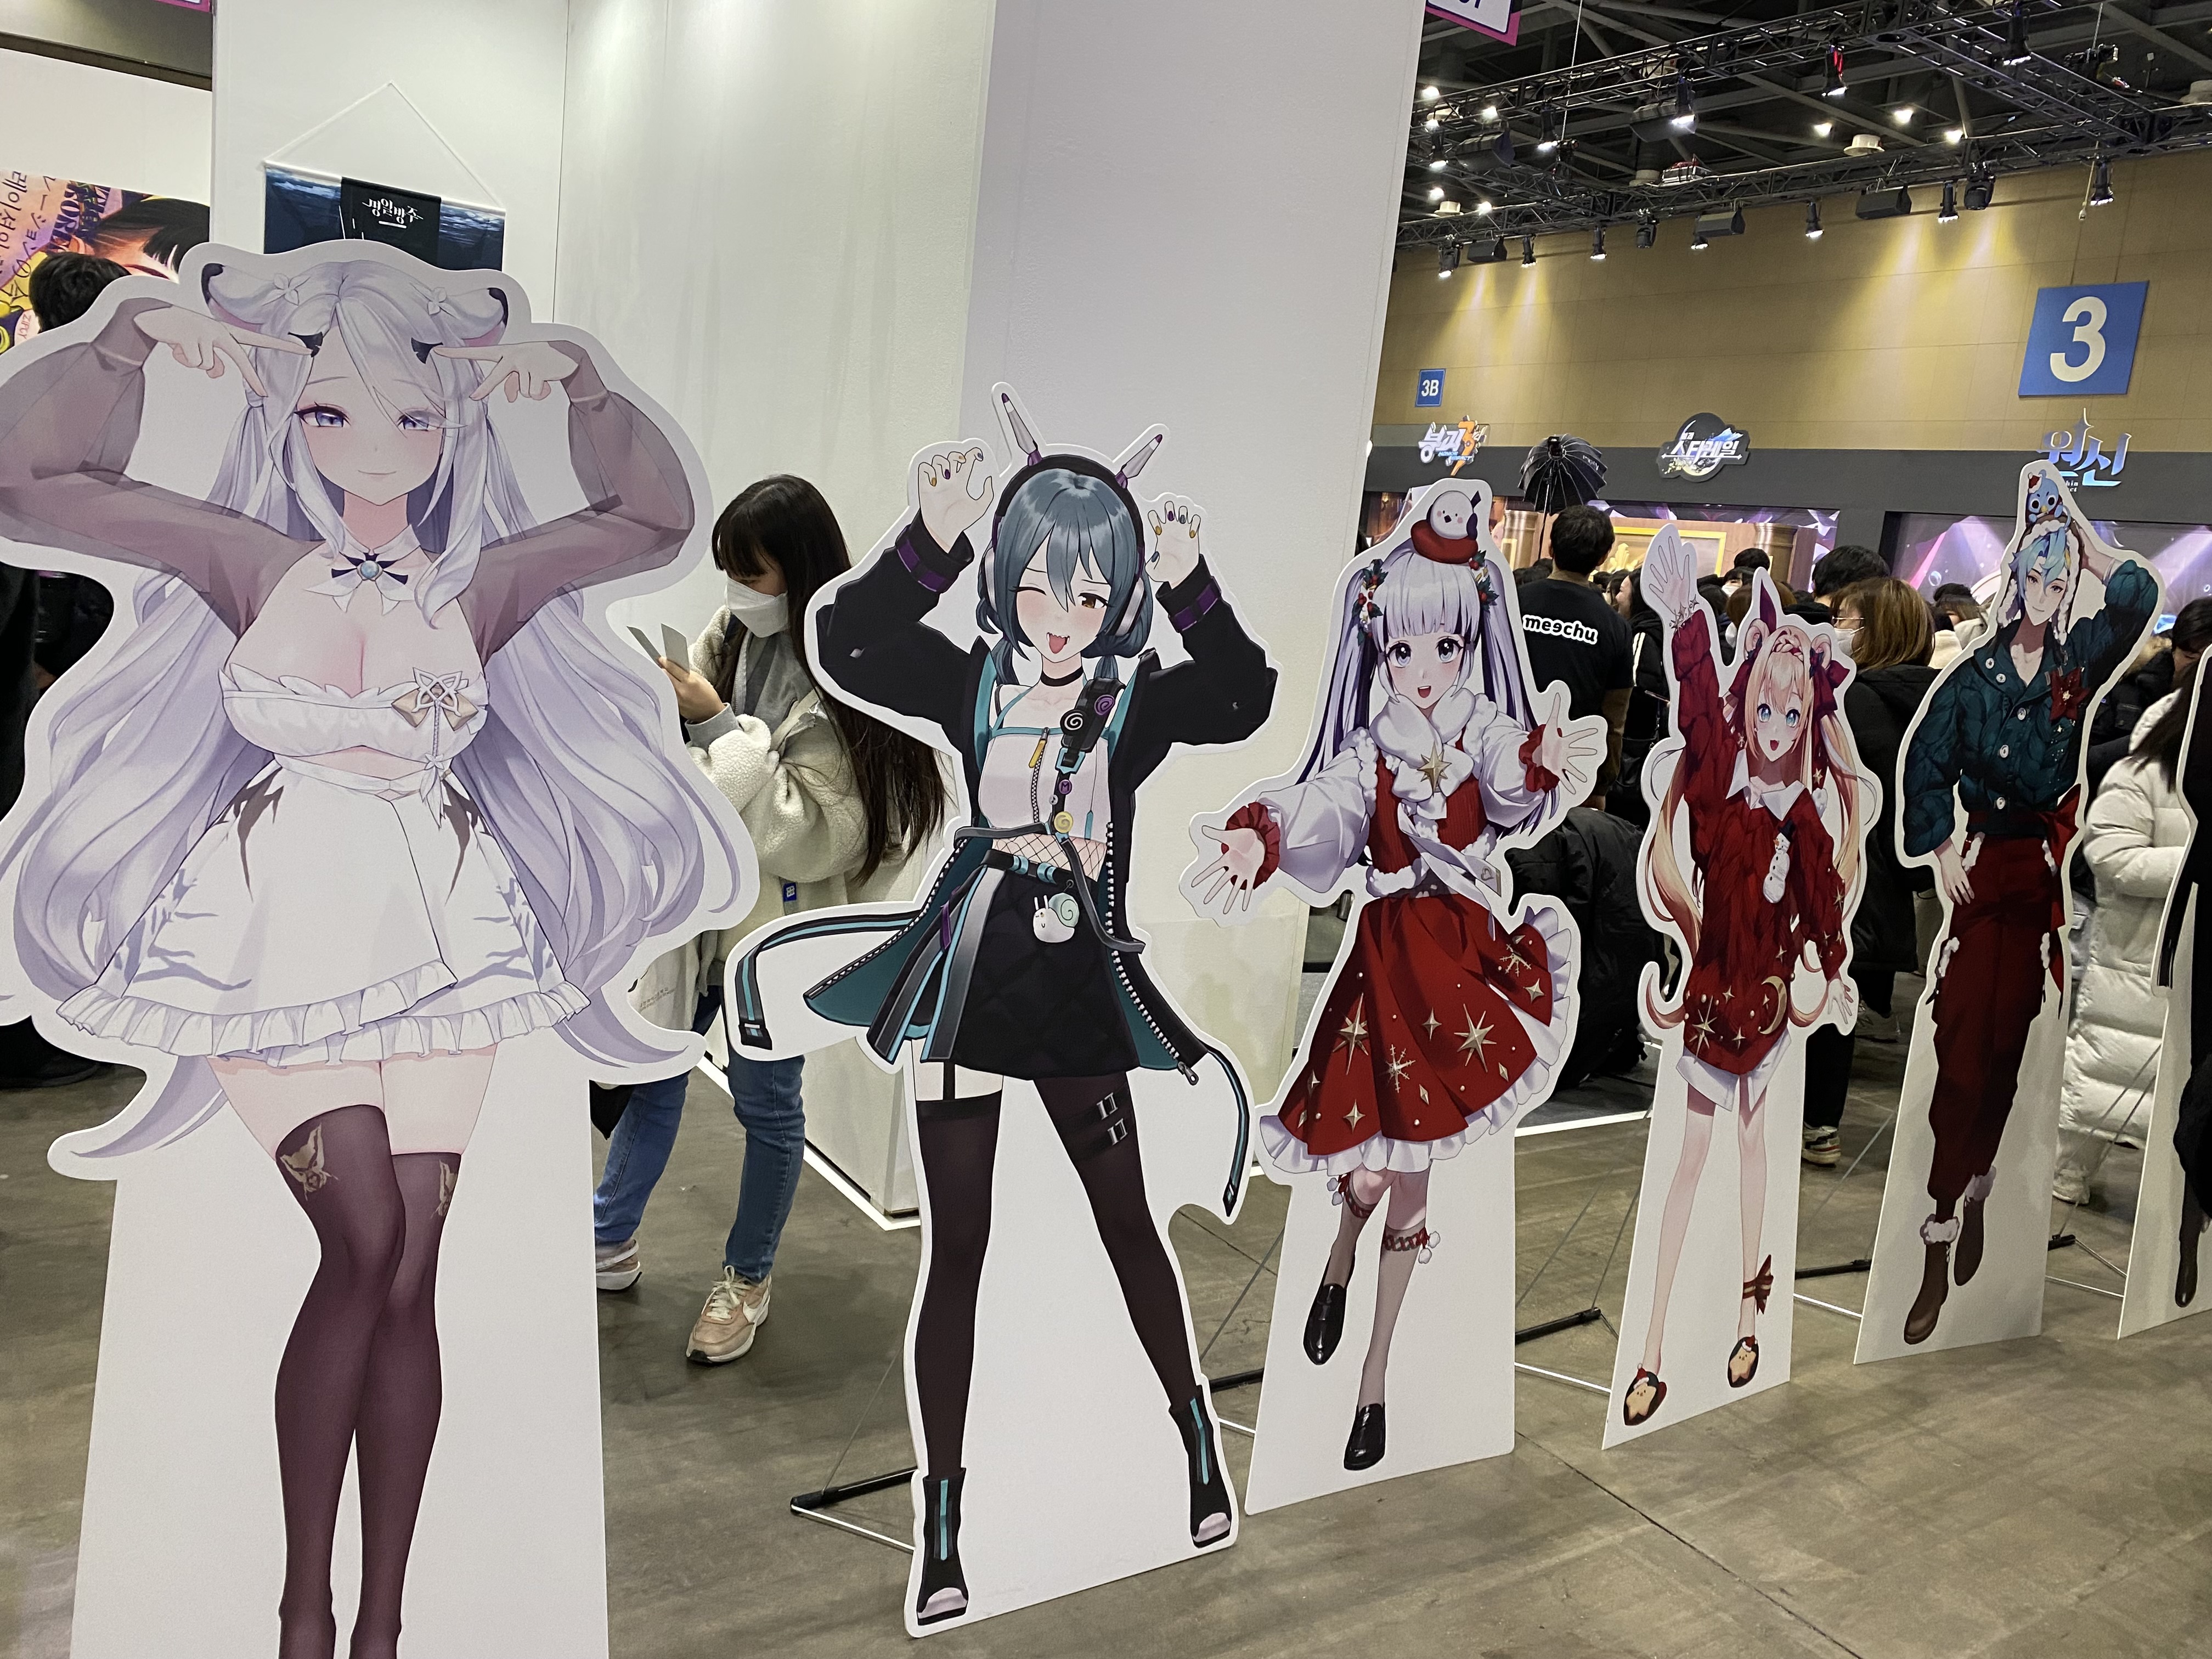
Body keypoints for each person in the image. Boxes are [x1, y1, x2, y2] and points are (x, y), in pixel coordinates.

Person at [0, 255, 742, 1657]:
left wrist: (586, 389)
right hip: (275, 923)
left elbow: (652, 516)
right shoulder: (248, 556)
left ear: (449, 427)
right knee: (371, 1240)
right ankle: (305, 1607)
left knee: (413, 1263)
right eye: (334, 413)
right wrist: (123, 347)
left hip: (449, 925)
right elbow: (29, 481)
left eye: (412, 417)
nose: (378, 447)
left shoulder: (482, 584)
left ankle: (382, 1618)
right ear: (290, 419)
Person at [732, 407, 1274, 1629]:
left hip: (1074, 977)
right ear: (1006, 580)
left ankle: (1195, 1440)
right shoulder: (969, 681)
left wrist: (1194, 585)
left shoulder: (1130, 704)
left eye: (1088, 593)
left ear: (1119, 597)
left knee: (1127, 1222)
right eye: (1037, 586)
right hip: (977, 968)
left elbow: (1242, 697)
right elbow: (847, 643)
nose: (1059, 616)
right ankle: (944, 1525)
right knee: (960, 1248)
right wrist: (928, 541)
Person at [1195, 485, 1598, 1472]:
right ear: (1377, 648)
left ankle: (1373, 1379)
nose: (1422, 670)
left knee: (1410, 1177)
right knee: (1372, 1164)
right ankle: (1341, 1256)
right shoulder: (1368, 749)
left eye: (1445, 647)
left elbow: (1512, 783)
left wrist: (1539, 758)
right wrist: (1266, 835)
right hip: (1382, 967)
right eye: (1402, 650)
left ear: (1471, 645)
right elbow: (1326, 811)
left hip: (1458, 965)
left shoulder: (1483, 729)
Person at [592, 476, 947, 1365]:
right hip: (705, 911)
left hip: (776, 930)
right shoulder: (729, 637)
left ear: (799, 568)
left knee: (766, 1102)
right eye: (728, 570)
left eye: (750, 572)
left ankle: (748, 1277)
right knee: (656, 1069)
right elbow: (706, 782)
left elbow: (819, 833)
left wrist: (722, 731)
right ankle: (608, 1235)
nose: (736, 589)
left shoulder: (851, 676)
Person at [1894, 467, 2157, 1346]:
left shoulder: (2076, 664)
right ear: (2014, 581)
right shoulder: (1973, 677)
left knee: (2010, 1047)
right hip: (1983, 873)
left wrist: (2081, 539)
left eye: (2058, 576)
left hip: (2040, 876)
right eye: (2034, 573)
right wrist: (1939, 844)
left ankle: (1976, 1194)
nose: (2045, 588)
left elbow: (2135, 596)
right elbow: (1927, 761)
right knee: (1961, 1051)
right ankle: (1937, 1223)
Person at [1621, 533, 1866, 1426]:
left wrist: (1832, 967)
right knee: (1689, 1164)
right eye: (1764, 709)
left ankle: (1746, 1321)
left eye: (1788, 716)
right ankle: (1651, 1347)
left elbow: (1825, 904)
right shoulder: (1721, 794)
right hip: (1711, 1004)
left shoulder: (1804, 818)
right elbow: (1698, 720)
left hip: (1764, 1010)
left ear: (1805, 723)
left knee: (1755, 1158)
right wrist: (1685, 622)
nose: (1772, 728)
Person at [1801, 579, 1937, 1165]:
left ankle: (1799, 1118)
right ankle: (1822, 1125)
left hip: (1834, 866)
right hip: (1892, 878)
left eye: (1845, 621)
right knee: (1839, 996)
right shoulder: (1937, 701)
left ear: (1874, 631)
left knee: (1811, 988)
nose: (1835, 630)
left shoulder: (1852, 701)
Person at [2053, 671, 2193, 1205]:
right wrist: (2194, 865)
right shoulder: (2144, 770)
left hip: (2191, 957)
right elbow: (2111, 855)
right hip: (2137, 958)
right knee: (2106, 1071)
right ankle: (2065, 1171)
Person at [1517, 504, 1632, 806]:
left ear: (1551, 548)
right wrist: (1600, 786)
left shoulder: (1512, 604)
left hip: (1501, 757)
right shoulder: (1615, 626)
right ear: (1603, 557)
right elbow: (1614, 718)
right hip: (1573, 777)